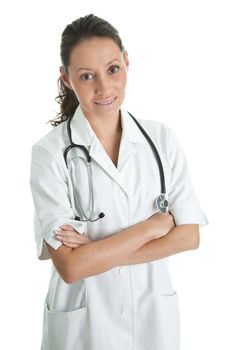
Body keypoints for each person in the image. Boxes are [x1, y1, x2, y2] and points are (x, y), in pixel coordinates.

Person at [30, 13, 208, 350]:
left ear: (127, 62)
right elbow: (70, 266)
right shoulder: (50, 154)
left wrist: (95, 253)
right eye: (86, 76)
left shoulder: (161, 139)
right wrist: (152, 228)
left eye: (113, 69)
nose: (104, 88)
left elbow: (189, 236)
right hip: (84, 330)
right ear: (66, 79)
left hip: (153, 320)